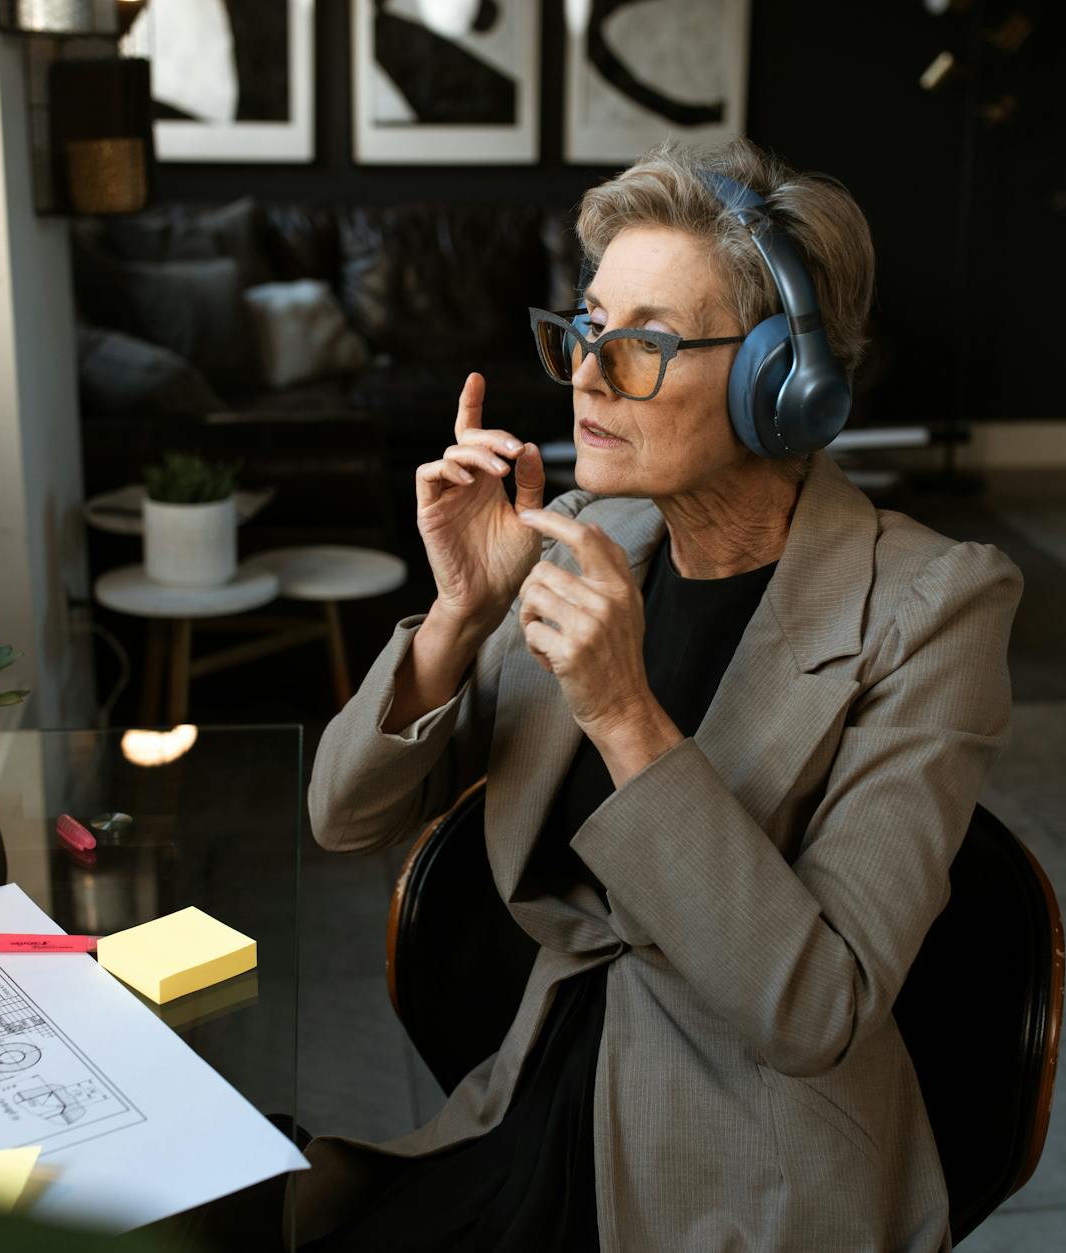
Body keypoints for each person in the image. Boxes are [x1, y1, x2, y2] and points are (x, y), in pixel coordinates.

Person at [298, 136, 1022, 1252]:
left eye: (642, 343)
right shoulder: (593, 536)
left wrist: (624, 715)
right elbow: (342, 817)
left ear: (781, 385)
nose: (587, 375)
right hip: (535, 1096)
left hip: (750, 1165)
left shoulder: (933, 606)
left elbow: (816, 1009)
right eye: (587, 327)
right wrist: (457, 614)